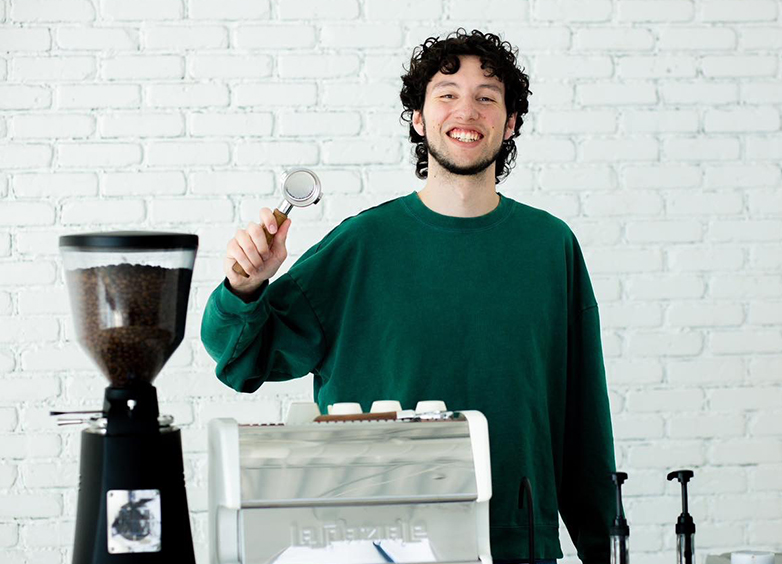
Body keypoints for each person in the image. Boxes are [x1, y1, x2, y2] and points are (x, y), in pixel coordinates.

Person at [201, 29, 616, 564]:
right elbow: (241, 355)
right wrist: (246, 285)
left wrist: (605, 547)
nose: (466, 109)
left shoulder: (549, 245)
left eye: (487, 97)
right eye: (447, 93)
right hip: (378, 542)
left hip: (518, 545)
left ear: (510, 123)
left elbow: (584, 418)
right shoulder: (361, 245)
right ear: (418, 119)